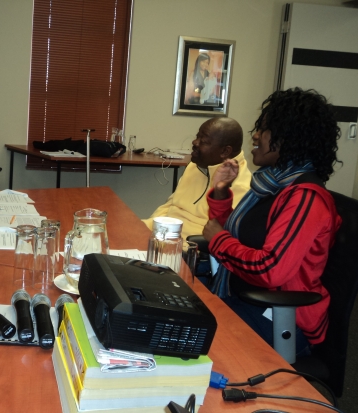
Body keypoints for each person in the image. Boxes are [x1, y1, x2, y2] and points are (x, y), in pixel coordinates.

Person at [202, 88, 342, 355]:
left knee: (188, 336)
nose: (255, 135)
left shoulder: (306, 199)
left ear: (289, 138)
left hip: (279, 317)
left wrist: (218, 240)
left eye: (264, 129)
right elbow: (237, 234)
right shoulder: (272, 186)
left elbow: (269, 268)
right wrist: (221, 193)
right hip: (246, 297)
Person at [142, 117, 251, 247]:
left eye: (203, 141)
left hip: (186, 250)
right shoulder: (195, 166)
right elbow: (171, 205)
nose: (195, 142)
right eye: (197, 137)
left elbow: (218, 237)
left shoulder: (243, 187)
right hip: (162, 236)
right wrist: (144, 228)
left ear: (225, 151)